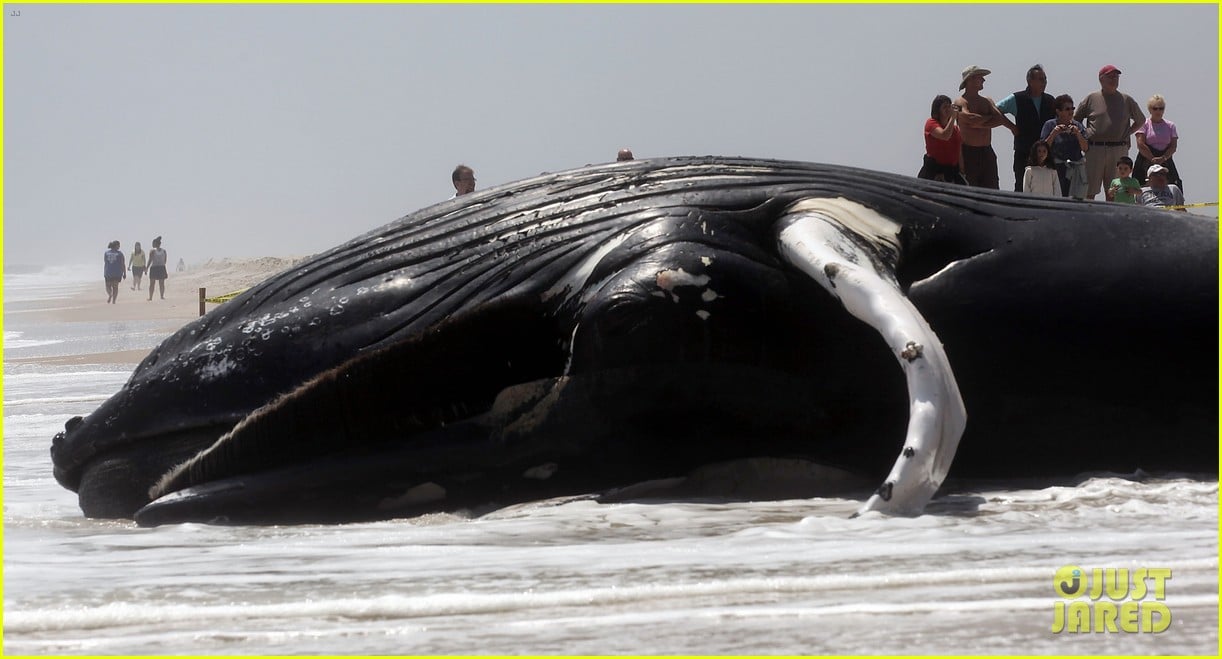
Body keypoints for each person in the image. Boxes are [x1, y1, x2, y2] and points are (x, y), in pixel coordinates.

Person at [1073, 65, 1145, 200]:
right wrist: (1084, 135)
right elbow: (1076, 119)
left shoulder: (1126, 100)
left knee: (1115, 191)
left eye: (1116, 77)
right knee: (1089, 191)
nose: (1114, 79)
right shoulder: (1091, 98)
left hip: (1118, 149)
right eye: (1110, 76)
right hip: (1094, 149)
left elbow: (1140, 120)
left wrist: (1127, 132)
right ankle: (1089, 219)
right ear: (1101, 79)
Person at [954, 65, 1018, 189]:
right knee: (970, 189)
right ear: (970, 79)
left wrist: (1012, 128)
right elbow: (969, 118)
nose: (984, 80)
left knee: (992, 188)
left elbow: (999, 118)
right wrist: (989, 118)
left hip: (987, 152)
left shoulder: (987, 101)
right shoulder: (956, 103)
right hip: (968, 153)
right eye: (980, 77)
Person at [996, 64, 1057, 192]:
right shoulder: (1017, 99)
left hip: (1045, 155)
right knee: (1021, 187)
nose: (1044, 82)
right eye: (1040, 79)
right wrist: (1012, 127)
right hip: (1024, 151)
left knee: (1047, 189)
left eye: (1045, 79)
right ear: (1030, 81)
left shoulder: (1050, 100)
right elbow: (996, 110)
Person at [1040, 94, 1089, 199]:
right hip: (1056, 169)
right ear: (1058, 111)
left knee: (1076, 200)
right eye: (1067, 109)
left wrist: (1077, 134)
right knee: (1056, 199)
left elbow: (1085, 148)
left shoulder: (1078, 126)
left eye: (1072, 108)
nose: (1071, 111)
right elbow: (1043, 148)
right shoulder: (1050, 125)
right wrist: (1054, 133)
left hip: (1075, 170)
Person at [1133, 94, 1182, 190]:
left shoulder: (1170, 126)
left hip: (1165, 159)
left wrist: (1163, 158)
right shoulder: (1144, 124)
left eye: (1161, 108)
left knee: (1175, 185)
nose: (1158, 111)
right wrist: (1152, 159)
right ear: (1150, 109)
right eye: (1155, 108)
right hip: (1146, 159)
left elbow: (1173, 146)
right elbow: (1140, 144)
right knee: (1140, 185)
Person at [917, 95, 966, 184]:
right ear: (937, 110)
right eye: (944, 107)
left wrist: (962, 172)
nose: (948, 109)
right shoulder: (931, 123)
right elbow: (944, 136)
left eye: (949, 106)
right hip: (934, 173)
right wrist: (953, 118)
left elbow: (959, 152)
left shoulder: (955, 130)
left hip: (951, 172)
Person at [147, 236, 168, 301]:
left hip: (154, 268)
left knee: (152, 283)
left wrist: (146, 268)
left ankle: (150, 297)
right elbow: (165, 261)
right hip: (162, 267)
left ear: (155, 244)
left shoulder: (152, 251)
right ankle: (162, 296)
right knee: (161, 283)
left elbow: (150, 260)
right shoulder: (164, 251)